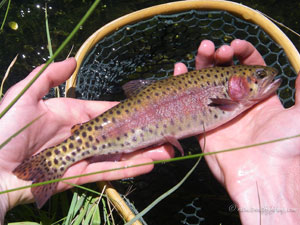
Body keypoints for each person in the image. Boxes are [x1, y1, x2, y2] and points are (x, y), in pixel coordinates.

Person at [0, 39, 299, 224]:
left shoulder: (233, 101)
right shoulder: (230, 101)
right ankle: (54, 161)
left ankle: (51, 162)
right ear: (234, 84)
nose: (266, 78)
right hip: (121, 127)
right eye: (259, 76)